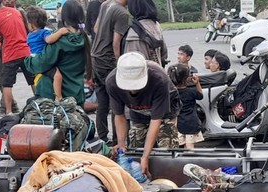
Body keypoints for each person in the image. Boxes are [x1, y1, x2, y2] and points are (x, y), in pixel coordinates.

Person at [106, 52, 181, 177]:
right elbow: (119, 115)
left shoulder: (159, 79)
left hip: (164, 112)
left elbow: (156, 120)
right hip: (137, 110)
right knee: (135, 147)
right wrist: (121, 143)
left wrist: (146, 156)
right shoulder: (112, 82)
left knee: (165, 149)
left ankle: (165, 178)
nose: (133, 89)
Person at [25, 0, 91, 106]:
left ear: (63, 17)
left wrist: (28, 60)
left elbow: (40, 64)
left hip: (52, 96)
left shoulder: (59, 41)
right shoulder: (86, 39)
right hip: (77, 94)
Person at [90, 0, 129, 142]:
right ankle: (117, 139)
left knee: (102, 102)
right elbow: (116, 42)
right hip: (108, 59)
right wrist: (120, 64)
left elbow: (95, 28)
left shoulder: (106, 4)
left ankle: (102, 137)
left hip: (95, 57)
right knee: (116, 101)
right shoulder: (122, 13)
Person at [0, 0, 34, 116]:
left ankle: (8, 112)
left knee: (6, 84)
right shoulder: (16, 12)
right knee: (33, 79)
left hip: (10, 53)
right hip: (25, 50)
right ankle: (42, 104)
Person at [25, 6, 67, 101]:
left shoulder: (30, 35)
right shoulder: (43, 32)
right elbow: (49, 40)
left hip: (34, 60)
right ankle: (58, 96)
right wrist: (60, 32)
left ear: (31, 24)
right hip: (42, 59)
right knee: (57, 75)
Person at [169, 63, 203, 150]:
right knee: (189, 147)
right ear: (186, 78)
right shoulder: (191, 92)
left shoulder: (172, 93)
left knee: (179, 147)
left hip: (178, 123)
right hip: (191, 123)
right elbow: (201, 95)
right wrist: (197, 83)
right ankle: (189, 162)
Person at [125, 0, 166, 65]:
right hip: (157, 71)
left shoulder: (134, 32)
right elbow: (164, 54)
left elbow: (131, 64)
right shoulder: (156, 25)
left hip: (142, 73)